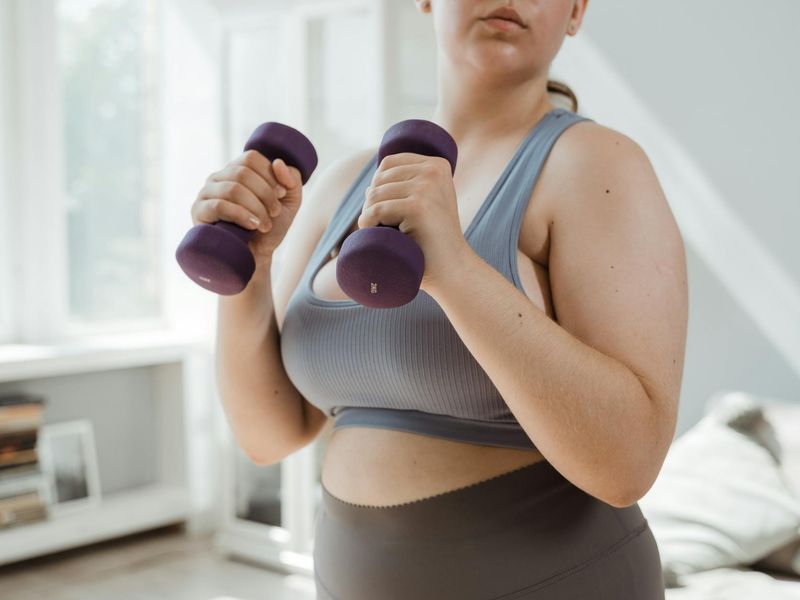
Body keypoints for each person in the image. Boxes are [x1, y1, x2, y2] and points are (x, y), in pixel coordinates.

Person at [197, 0, 687, 597]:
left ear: (577, 11)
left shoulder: (598, 165)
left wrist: (453, 270)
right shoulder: (347, 184)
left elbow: (627, 465)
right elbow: (267, 436)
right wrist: (250, 269)